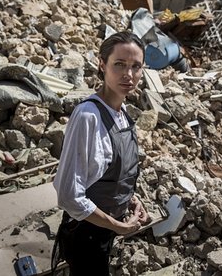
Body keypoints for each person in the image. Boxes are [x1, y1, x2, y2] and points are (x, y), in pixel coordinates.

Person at [51, 31, 150, 275]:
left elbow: (109, 173)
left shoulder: (123, 112)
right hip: (86, 234)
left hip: (106, 230)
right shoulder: (88, 116)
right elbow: (68, 196)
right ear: (102, 65)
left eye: (135, 66)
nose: (128, 74)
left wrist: (130, 199)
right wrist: (117, 225)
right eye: (119, 64)